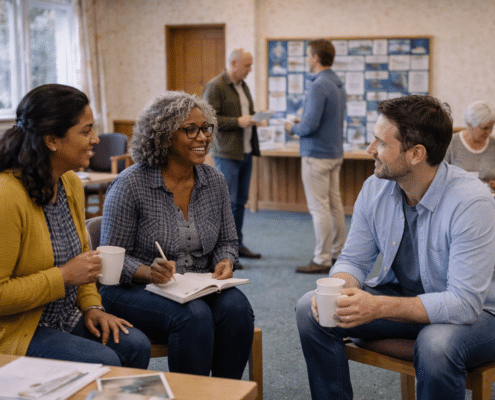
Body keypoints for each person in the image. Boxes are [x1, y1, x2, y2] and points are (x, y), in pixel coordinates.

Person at [296, 95, 495, 400]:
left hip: (480, 312)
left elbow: (463, 304)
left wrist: (377, 307)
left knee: (436, 344)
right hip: (410, 300)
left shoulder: (471, 202)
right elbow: (353, 259)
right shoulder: (376, 188)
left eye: (381, 143)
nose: (370, 150)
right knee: (311, 310)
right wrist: (339, 289)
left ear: (416, 154)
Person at [99, 91, 255, 379]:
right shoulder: (130, 185)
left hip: (196, 284)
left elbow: (228, 241)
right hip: (132, 289)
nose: (203, 137)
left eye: (206, 128)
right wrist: (147, 271)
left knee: (238, 308)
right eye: (191, 130)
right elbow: (109, 262)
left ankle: (225, 393)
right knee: (194, 316)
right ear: (164, 136)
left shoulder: (214, 180)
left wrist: (225, 260)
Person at [0, 84, 150, 368]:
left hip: (62, 315)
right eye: (86, 131)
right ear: (52, 140)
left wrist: (92, 306)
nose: (95, 139)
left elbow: (85, 264)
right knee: (105, 360)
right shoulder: (7, 195)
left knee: (135, 345)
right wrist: (64, 276)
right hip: (17, 327)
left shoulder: (69, 183)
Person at [285, 39, 346, 274]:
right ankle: (337, 253)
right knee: (335, 205)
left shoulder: (318, 84)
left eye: (309, 56)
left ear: (315, 58)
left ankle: (321, 259)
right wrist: (303, 124)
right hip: (334, 153)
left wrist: (292, 128)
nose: (307, 60)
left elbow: (309, 126)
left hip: (316, 155)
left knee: (319, 208)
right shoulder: (337, 83)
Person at [202, 48, 261, 261]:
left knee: (240, 202)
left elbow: (246, 115)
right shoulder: (215, 86)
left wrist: (255, 119)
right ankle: (225, 252)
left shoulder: (243, 86)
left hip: (245, 151)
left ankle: (237, 244)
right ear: (233, 63)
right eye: (247, 65)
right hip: (227, 153)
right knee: (228, 203)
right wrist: (237, 122)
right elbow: (208, 120)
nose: (250, 70)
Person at [444, 100, 495, 189]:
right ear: (470, 124)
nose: (489, 132)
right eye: (485, 128)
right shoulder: (450, 143)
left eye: (491, 128)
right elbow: (440, 176)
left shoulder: (493, 144)